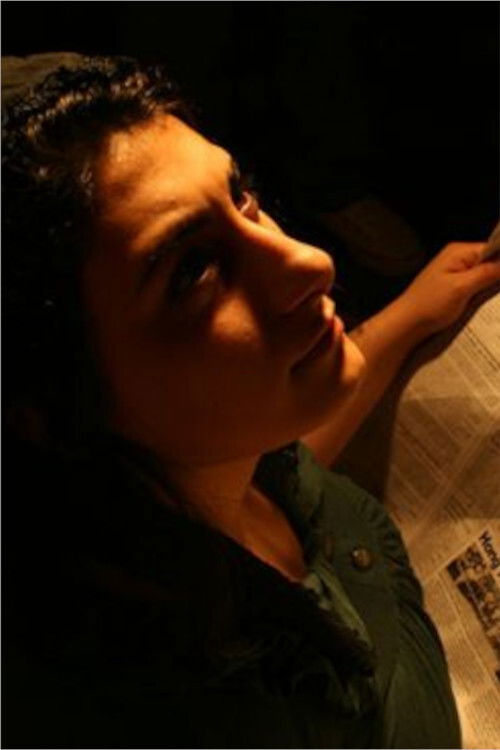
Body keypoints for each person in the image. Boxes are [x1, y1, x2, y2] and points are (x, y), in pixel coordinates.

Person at [2, 54, 499, 749]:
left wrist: (410, 316)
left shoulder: (202, 467)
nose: (312, 261)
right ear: (53, 405)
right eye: (194, 271)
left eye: (241, 198)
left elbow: (281, 468)